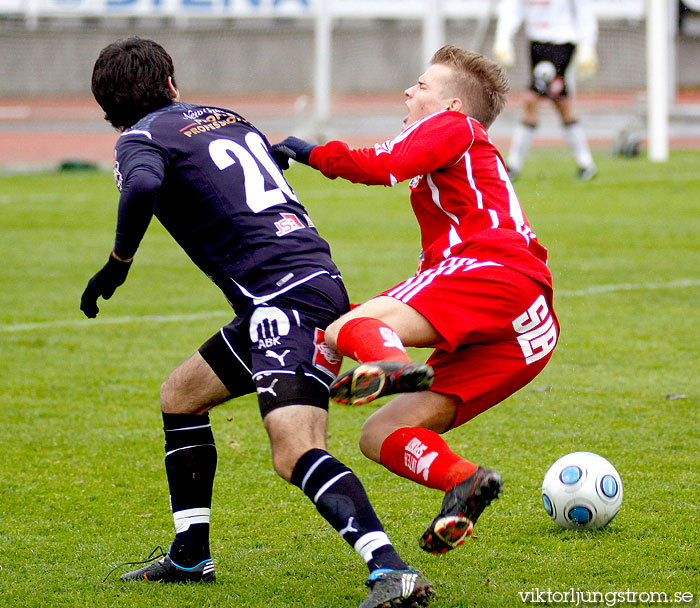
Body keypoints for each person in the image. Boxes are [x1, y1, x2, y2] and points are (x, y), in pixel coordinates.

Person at [81, 37, 434, 608]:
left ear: (108, 109)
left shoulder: (139, 139)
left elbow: (144, 183)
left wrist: (118, 264)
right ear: (170, 83)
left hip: (283, 302)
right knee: (181, 395)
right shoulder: (224, 116)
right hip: (302, 285)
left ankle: (391, 570)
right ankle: (191, 555)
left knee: (294, 449)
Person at [272, 45, 559, 555]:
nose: (409, 91)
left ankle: (390, 362)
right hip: (529, 329)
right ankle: (464, 481)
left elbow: (384, 163)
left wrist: (310, 151)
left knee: (345, 328)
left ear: (452, 106)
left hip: (495, 269)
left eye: (422, 85)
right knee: (381, 433)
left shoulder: (457, 127)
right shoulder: (460, 149)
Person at [492, 0, 599, 180]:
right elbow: (512, 7)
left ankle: (513, 165)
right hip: (536, 43)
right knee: (562, 104)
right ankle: (586, 164)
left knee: (530, 99)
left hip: (562, 43)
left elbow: (584, 9)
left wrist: (588, 44)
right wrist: (503, 38)